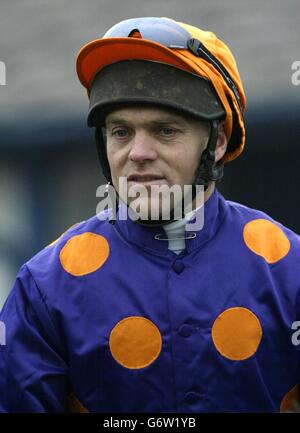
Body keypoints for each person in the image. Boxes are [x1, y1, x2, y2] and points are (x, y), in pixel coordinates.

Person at [0, 16, 299, 413]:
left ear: (218, 142)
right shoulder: (44, 285)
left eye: (165, 130)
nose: (138, 153)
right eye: (121, 132)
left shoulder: (291, 269)